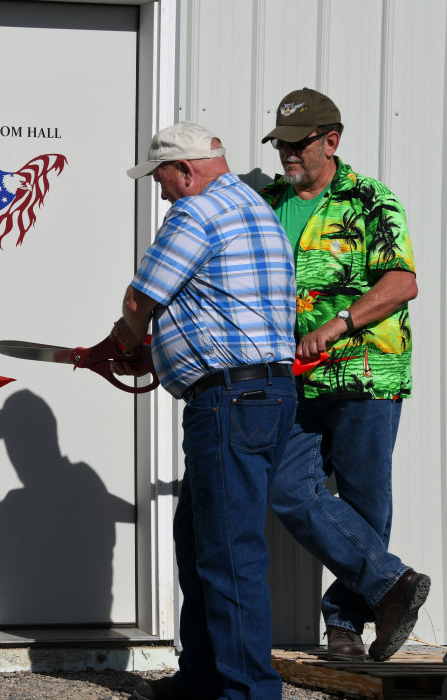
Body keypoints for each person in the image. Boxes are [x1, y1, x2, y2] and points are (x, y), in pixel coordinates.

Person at [112, 122, 298, 700]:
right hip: (267, 395)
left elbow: (142, 298)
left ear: (187, 171)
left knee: (228, 554)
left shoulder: (193, 215)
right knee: (200, 540)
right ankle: (201, 682)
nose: (162, 192)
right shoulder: (255, 209)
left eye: (163, 179)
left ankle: (249, 693)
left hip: (227, 402)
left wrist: (125, 341)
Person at [259, 88, 429, 663]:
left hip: (366, 372)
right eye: (280, 142)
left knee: (364, 503)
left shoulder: (370, 201)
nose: (287, 153)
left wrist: (337, 324)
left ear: (331, 141)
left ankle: (345, 626)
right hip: (294, 377)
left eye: (298, 143)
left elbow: (401, 283)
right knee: (287, 490)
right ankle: (394, 583)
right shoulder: (264, 202)